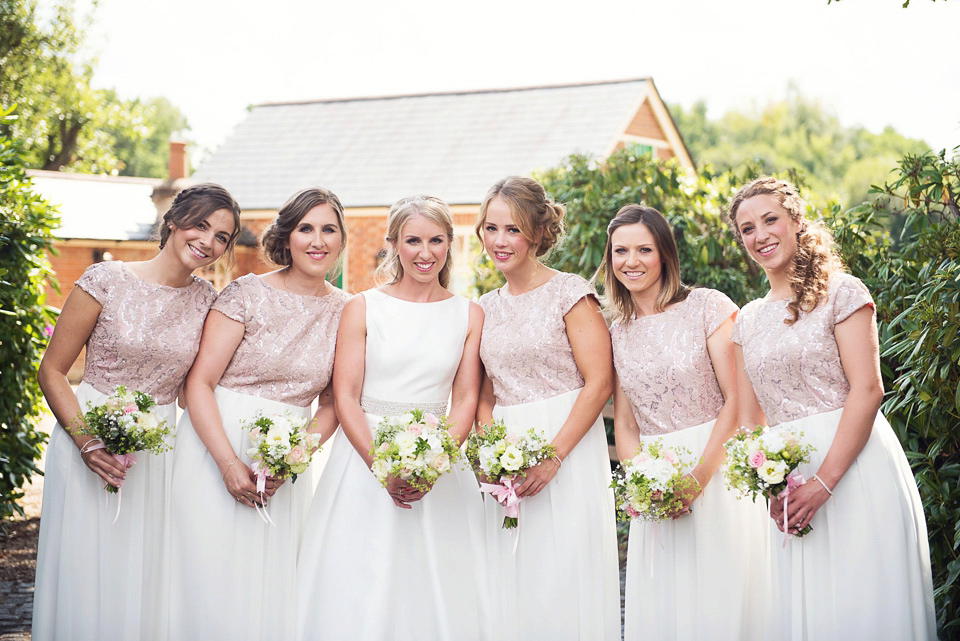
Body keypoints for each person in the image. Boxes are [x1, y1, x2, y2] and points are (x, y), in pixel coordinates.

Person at [728, 176, 936, 640]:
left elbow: (867, 390)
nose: (759, 235)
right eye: (746, 229)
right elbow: (749, 418)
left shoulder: (842, 293)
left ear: (796, 222)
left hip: (853, 469)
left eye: (769, 220)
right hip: (790, 482)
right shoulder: (746, 321)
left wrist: (824, 481)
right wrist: (769, 485)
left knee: (861, 601)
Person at [33, 184, 241, 641]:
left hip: (159, 450)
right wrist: (87, 442)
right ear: (172, 221)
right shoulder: (105, 279)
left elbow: (196, 388)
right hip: (87, 435)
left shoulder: (208, 300)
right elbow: (51, 370)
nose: (208, 241)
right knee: (87, 565)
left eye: (222, 236)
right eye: (201, 224)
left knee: (145, 568)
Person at [296, 195, 488, 641]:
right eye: (414, 240)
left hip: (438, 462)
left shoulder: (469, 314)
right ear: (394, 245)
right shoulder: (363, 307)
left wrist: (434, 464)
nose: (425, 252)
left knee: (438, 577)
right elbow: (345, 397)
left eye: (436, 240)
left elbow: (463, 401)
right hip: (364, 458)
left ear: (449, 245)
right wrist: (383, 466)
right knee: (362, 577)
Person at [167, 187, 349, 640]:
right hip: (215, 447)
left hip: (286, 457)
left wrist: (292, 459)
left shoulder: (348, 311)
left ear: (342, 241)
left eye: (329, 230)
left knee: (271, 578)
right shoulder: (247, 294)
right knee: (206, 573)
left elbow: (333, 404)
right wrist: (228, 463)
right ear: (286, 237)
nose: (317, 240)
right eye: (306, 228)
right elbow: (199, 383)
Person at [601, 204, 767, 640]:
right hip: (655, 477)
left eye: (643, 250)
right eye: (620, 251)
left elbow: (737, 399)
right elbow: (626, 423)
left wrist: (699, 477)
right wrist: (643, 485)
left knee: (722, 592)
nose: (631, 262)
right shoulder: (617, 329)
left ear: (665, 255)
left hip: (716, 465)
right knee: (665, 600)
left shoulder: (707, 306)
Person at [475, 176, 619, 640]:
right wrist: (489, 448)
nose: (500, 241)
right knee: (513, 570)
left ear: (536, 234)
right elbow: (484, 394)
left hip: (566, 445)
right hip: (507, 451)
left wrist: (554, 457)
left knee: (563, 570)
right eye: (491, 228)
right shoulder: (484, 307)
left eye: (513, 230)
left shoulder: (569, 292)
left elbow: (600, 383)